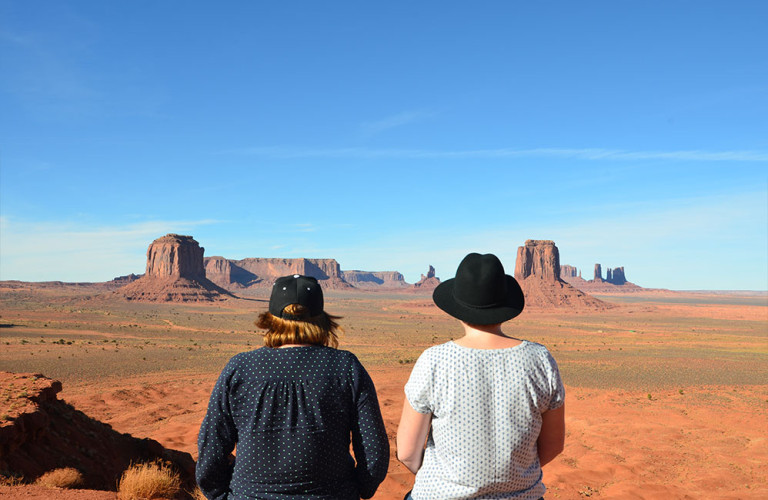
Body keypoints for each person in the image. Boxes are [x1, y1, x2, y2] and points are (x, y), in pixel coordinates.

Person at [197, 274, 390, 500]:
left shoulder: (240, 368)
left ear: (270, 319)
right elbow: (374, 452)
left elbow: (211, 448)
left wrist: (221, 495)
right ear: (322, 318)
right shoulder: (345, 367)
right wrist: (355, 491)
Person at [396, 253, 565, 499]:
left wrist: (450, 483)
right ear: (504, 305)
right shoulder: (540, 359)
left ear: (457, 307)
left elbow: (407, 453)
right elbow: (552, 446)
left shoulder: (434, 360)